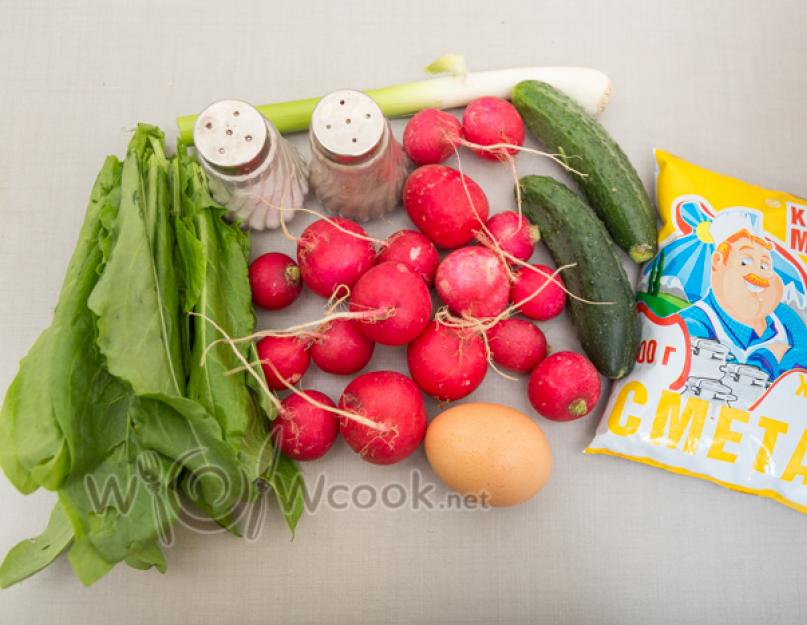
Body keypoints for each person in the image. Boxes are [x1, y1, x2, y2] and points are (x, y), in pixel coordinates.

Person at [679, 209, 807, 378]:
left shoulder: (785, 317)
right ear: (718, 261)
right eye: (745, 262)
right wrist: (769, 357)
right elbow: (721, 380)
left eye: (764, 265)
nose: (758, 274)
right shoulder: (694, 321)